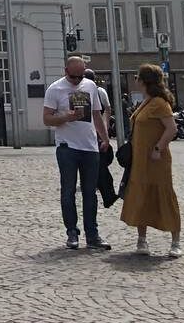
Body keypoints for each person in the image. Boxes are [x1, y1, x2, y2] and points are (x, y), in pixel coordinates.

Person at [42, 55, 111, 250]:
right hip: (67, 147)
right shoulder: (55, 89)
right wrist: (66, 116)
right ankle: (72, 232)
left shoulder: (90, 86)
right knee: (68, 191)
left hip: (89, 147)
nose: (77, 80)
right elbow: (46, 119)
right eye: (74, 77)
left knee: (90, 192)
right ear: (66, 72)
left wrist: (104, 138)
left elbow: (96, 115)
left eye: (81, 76)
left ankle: (92, 234)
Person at [120, 64, 181, 257]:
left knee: (164, 195)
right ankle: (142, 240)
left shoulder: (159, 103)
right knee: (141, 196)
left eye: (137, 77)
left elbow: (171, 129)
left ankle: (175, 242)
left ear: (144, 81)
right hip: (140, 160)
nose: (135, 80)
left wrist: (158, 148)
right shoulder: (146, 102)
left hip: (156, 160)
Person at [83, 68, 117, 207]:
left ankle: (105, 191)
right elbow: (107, 110)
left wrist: (104, 128)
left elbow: (105, 111)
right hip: (91, 131)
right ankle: (106, 192)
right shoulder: (94, 91)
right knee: (98, 162)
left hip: (93, 131)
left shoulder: (97, 91)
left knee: (99, 161)